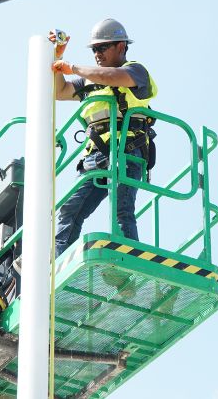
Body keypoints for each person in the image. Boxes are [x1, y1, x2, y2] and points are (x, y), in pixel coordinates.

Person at [49, 18, 157, 257]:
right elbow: (60, 91)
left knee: (122, 208)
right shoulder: (89, 80)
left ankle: (129, 263)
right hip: (95, 156)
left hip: (126, 150)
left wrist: (73, 67)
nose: (97, 54)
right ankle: (55, 265)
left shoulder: (136, 71)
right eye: (94, 49)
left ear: (121, 46)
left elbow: (112, 77)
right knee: (70, 209)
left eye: (102, 48)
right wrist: (56, 60)